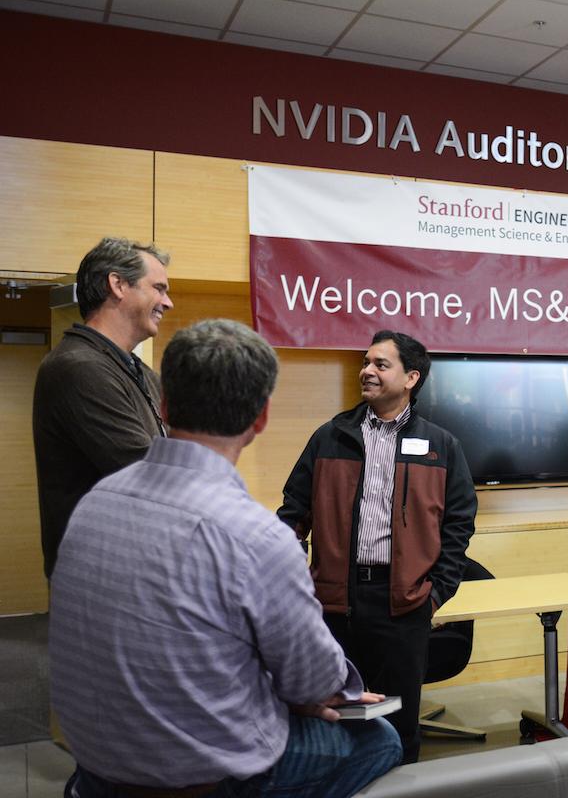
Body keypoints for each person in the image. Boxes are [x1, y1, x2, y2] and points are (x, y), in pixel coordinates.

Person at [49, 319, 402, 797]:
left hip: (95, 767)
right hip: (200, 779)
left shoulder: (94, 504)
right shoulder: (256, 538)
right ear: (260, 418)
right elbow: (314, 681)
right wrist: (313, 694)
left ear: (166, 406)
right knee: (379, 740)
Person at [279, 330, 477, 764]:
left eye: (379, 364)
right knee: (338, 717)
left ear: (411, 377)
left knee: (398, 723)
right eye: (366, 362)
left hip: (404, 606)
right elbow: (293, 513)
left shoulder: (442, 446)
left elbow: (459, 525)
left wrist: (435, 593)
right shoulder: (330, 436)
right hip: (334, 605)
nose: (366, 371)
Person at [33, 236, 173, 577]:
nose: (167, 303)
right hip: (100, 577)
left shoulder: (138, 372)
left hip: (133, 570)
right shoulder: (79, 367)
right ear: (118, 285)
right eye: (158, 288)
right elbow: (148, 473)